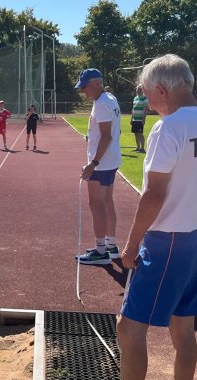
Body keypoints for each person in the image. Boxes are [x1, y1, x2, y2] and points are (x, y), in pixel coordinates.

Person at [74, 54, 197, 380]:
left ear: (162, 90)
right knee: (183, 328)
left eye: (147, 96)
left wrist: (130, 247)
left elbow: (153, 195)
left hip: (168, 242)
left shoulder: (169, 128)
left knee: (129, 328)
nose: (146, 103)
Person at [75, 68, 122, 264]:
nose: (84, 92)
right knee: (107, 202)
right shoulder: (109, 98)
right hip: (110, 160)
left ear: (96, 84)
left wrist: (92, 164)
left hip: (101, 163)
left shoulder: (102, 103)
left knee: (96, 204)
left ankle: (101, 250)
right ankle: (111, 245)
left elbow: (106, 135)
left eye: (85, 87)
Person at [131, 86, 149, 152]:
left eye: (139, 90)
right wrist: (131, 118)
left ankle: (142, 148)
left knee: (140, 133)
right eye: (137, 89)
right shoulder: (135, 98)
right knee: (135, 133)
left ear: (142, 90)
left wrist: (143, 119)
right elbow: (133, 109)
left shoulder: (145, 98)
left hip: (140, 119)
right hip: (134, 119)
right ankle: (138, 147)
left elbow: (145, 109)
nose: (138, 91)